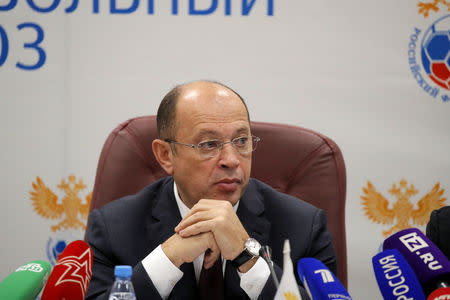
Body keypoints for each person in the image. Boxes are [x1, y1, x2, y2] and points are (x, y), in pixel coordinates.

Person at [85, 80, 337, 299]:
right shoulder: (113, 228)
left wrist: (247, 256)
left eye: (241, 141)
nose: (232, 159)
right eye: (208, 144)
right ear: (165, 155)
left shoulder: (304, 226)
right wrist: (167, 257)